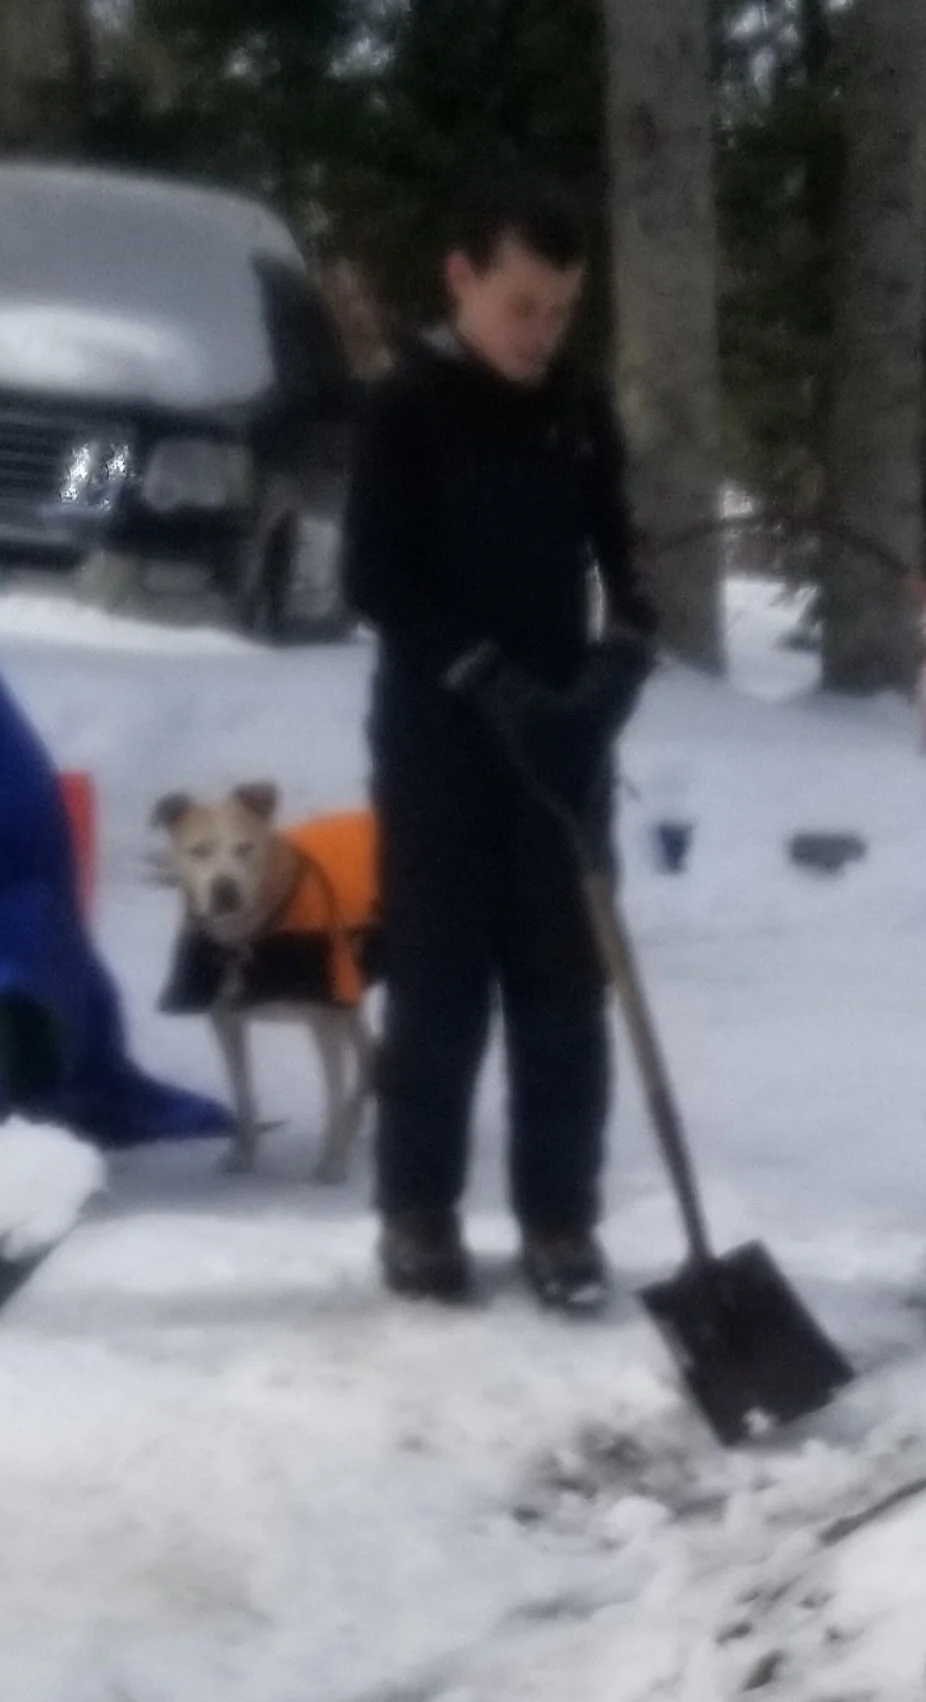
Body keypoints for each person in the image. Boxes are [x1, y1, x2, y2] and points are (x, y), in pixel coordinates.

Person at [343, 166, 658, 1312]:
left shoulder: (577, 413)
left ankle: (559, 1214)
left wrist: (614, 674)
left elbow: (630, 570)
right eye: (522, 305)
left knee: (565, 990)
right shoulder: (407, 406)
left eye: (563, 310)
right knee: (438, 990)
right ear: (462, 279)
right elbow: (373, 576)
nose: (542, 332)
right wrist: (486, 678)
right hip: (440, 740)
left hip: (562, 747)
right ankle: (418, 1213)